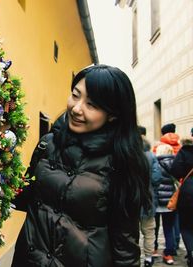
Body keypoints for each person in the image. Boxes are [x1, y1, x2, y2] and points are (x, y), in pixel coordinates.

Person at [11, 64, 151, 267]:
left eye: (92, 105)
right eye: (75, 95)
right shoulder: (48, 144)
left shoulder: (123, 163)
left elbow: (125, 244)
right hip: (30, 260)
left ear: (113, 114)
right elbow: (24, 197)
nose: (77, 108)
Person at [139, 130, 162, 267]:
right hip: (148, 198)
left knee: (132, 230)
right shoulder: (151, 156)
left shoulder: (129, 156)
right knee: (149, 231)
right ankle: (148, 257)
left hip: (131, 200)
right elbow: (156, 178)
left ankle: (134, 254)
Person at [170, 136, 193, 267]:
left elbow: (175, 170)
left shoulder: (185, 151)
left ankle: (191, 252)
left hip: (189, 192)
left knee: (187, 226)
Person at [154, 144, 177, 265]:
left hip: (157, 200)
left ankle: (153, 249)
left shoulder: (155, 163)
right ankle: (168, 254)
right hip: (170, 201)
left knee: (155, 227)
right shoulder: (176, 163)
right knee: (169, 228)